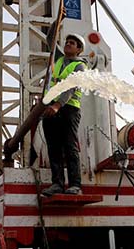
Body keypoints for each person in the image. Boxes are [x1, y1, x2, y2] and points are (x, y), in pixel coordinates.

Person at [41, 33, 87, 196]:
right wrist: (56, 23)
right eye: (67, 42)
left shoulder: (80, 66)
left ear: (79, 49)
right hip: (52, 107)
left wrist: (58, 105)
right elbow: (50, 40)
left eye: (72, 43)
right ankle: (57, 184)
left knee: (69, 147)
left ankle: (75, 185)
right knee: (53, 148)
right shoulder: (59, 58)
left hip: (69, 109)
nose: (68, 44)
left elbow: (71, 87)